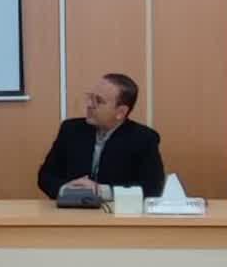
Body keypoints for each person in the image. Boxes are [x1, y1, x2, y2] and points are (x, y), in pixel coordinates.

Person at [37, 72, 165, 199]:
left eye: (98, 101)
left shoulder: (144, 138)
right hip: (71, 208)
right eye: (90, 97)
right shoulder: (70, 130)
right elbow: (45, 176)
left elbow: (153, 188)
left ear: (121, 112)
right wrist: (66, 189)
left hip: (116, 210)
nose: (89, 105)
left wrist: (102, 191)